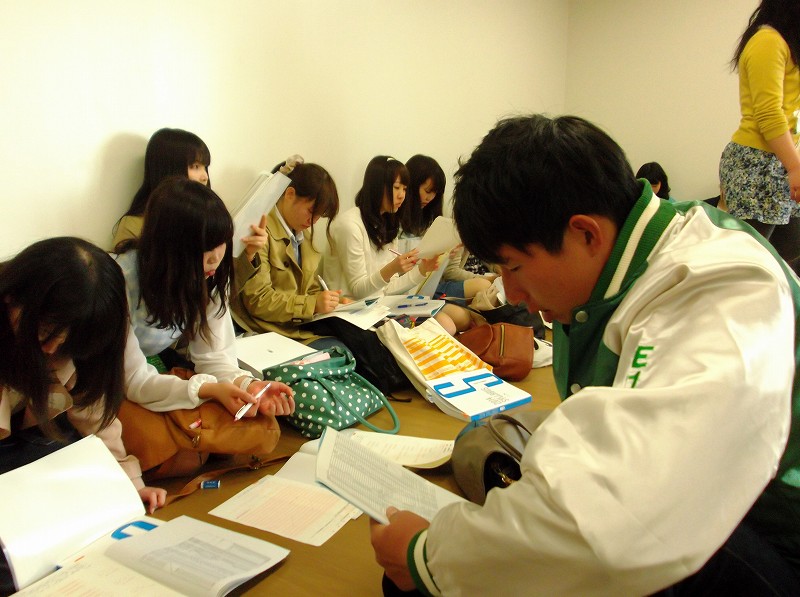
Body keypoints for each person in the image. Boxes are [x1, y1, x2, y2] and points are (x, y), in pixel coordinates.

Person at [370, 115, 800, 595]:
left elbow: (625, 509)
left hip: (768, 534)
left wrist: (428, 555)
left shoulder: (721, 284)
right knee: (495, 443)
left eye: (514, 267)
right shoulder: (625, 262)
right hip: (704, 496)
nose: (512, 292)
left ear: (586, 234)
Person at [114, 176, 295, 476]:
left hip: (152, 376)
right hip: (109, 382)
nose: (217, 256)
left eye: (221, 242)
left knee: (258, 425)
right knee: (163, 441)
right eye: (205, 247)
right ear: (171, 247)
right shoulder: (120, 281)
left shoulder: (209, 275)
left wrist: (248, 386)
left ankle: (189, 446)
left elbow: (214, 357)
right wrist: (209, 389)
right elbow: (133, 381)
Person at [0, 238, 166, 503]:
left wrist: (130, 484)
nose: (51, 349)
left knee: (66, 452)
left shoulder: (88, 331)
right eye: (45, 331)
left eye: (69, 344)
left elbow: (95, 412)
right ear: (12, 297)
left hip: (27, 437)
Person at [323, 156, 455, 333]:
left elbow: (387, 289)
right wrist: (392, 268)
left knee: (446, 324)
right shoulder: (350, 225)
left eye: (405, 189)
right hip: (349, 311)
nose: (402, 195)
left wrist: (422, 270)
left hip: (376, 308)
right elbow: (359, 290)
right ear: (377, 186)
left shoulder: (387, 224)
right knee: (439, 327)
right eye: (396, 188)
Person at [719, 0, 800, 274]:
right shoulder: (768, 41)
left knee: (785, 266)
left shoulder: (786, 45)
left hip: (779, 162)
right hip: (757, 165)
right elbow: (768, 113)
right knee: (749, 267)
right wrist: (795, 166)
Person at [232, 162, 346, 347]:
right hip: (266, 330)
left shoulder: (303, 235)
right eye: (311, 211)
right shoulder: (260, 231)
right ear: (289, 194)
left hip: (296, 326)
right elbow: (259, 301)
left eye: (320, 215)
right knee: (342, 351)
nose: (313, 221)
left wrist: (335, 301)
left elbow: (309, 289)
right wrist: (312, 304)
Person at [398, 154, 494, 310]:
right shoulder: (396, 223)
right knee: (473, 300)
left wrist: (447, 256)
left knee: (486, 290)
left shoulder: (436, 222)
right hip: (412, 288)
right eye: (427, 191)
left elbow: (444, 269)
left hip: (432, 285)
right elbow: (450, 272)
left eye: (435, 193)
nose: (430, 198)